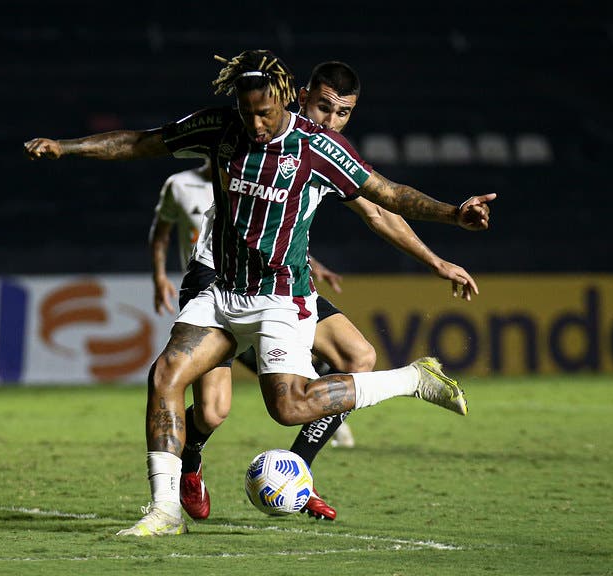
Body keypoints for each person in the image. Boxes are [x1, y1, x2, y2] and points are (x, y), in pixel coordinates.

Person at [25, 49, 496, 537]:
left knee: (289, 407)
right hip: (220, 287)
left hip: (279, 297)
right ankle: (164, 512)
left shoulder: (318, 148)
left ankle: (411, 380)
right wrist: (66, 147)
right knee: (167, 375)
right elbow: (142, 142)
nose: (255, 124)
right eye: (247, 112)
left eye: (265, 114)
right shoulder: (221, 127)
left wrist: (452, 215)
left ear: (285, 100)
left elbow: (387, 197)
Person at [151, 61, 481, 522]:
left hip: (282, 287)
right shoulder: (264, 126)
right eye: (323, 106)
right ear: (301, 95)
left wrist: (437, 261)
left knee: (357, 357)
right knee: (212, 410)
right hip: (218, 276)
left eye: (342, 113)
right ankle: (191, 457)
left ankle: (296, 474)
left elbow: (379, 210)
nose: (330, 119)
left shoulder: (323, 150)